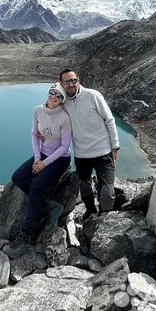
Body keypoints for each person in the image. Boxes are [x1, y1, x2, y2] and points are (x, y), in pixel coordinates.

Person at [3, 83, 72, 258]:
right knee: (18, 177)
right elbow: (34, 134)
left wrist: (44, 163)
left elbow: (64, 147)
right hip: (41, 154)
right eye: (52, 92)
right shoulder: (38, 110)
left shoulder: (64, 118)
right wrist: (36, 158)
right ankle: (49, 205)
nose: (54, 97)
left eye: (59, 96)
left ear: (62, 100)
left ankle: (26, 238)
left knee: (36, 188)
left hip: (59, 159)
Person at [60, 68, 119, 220]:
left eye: (74, 80)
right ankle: (91, 212)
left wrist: (115, 146)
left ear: (78, 80)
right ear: (62, 84)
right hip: (81, 154)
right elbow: (51, 114)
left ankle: (104, 218)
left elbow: (109, 119)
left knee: (106, 191)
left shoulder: (92, 95)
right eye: (67, 82)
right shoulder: (63, 101)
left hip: (103, 152)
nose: (71, 84)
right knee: (84, 188)